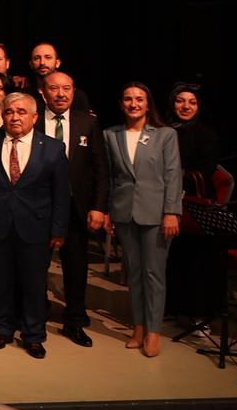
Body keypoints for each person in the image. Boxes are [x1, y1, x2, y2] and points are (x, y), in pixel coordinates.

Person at [0, 93, 69, 359]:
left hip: (36, 228)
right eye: (9, 112)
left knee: (34, 284)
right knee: (1, 280)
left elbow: (61, 194)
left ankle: (33, 334)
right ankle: (3, 328)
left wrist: (59, 229)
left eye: (21, 112)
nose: (14, 117)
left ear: (35, 117)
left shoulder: (53, 148)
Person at [103, 83, 182, 358]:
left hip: (156, 214)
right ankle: (138, 328)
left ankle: (154, 331)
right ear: (121, 104)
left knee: (154, 274)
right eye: (128, 99)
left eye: (139, 99)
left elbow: (173, 175)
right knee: (134, 274)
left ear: (148, 105)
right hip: (124, 212)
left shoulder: (165, 135)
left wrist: (171, 212)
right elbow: (110, 177)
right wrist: (108, 211)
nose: (133, 103)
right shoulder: (111, 135)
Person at [36, 71, 108, 347]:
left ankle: (74, 321)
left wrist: (99, 207)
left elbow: (101, 169)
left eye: (66, 88)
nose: (60, 94)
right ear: (43, 92)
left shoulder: (88, 122)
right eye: (54, 88)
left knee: (76, 268)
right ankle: (36, 315)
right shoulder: (32, 120)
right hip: (40, 208)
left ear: (74, 92)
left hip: (76, 209)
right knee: (36, 267)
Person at [166, 82, 225, 322]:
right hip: (166, 201)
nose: (186, 106)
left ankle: (199, 314)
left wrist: (173, 176)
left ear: (199, 106)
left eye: (192, 102)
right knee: (171, 259)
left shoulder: (207, 135)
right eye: (180, 101)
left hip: (195, 206)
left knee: (197, 260)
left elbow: (207, 170)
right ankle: (173, 307)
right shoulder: (164, 131)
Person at [27, 43, 90, 115]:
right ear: (31, 64)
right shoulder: (25, 95)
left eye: (48, 57)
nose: (42, 62)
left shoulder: (77, 96)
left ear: (57, 63)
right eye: (37, 58)